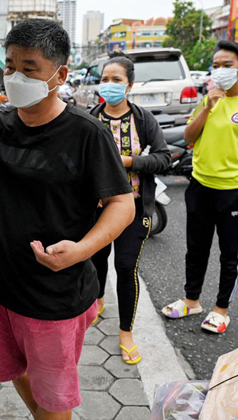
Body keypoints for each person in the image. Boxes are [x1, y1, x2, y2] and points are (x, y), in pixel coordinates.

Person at [0, 19, 135, 419]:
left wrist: (81, 251)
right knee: (16, 371)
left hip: (54, 293)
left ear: (60, 74)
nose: (15, 77)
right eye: (9, 66)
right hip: (1, 284)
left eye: (29, 68)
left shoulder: (87, 133)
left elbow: (123, 204)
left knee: (54, 400)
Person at [162, 40, 238, 335]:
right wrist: (208, 107)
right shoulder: (208, 99)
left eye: (227, 65)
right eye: (216, 65)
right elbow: (189, 135)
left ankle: (221, 309)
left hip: (234, 191)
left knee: (230, 254)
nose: (220, 70)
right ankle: (191, 300)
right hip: (199, 186)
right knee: (195, 249)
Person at [88, 53, 170, 365]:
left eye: (116, 80)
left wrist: (127, 162)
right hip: (96, 208)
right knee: (96, 261)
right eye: (105, 79)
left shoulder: (143, 120)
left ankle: (125, 333)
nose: (109, 85)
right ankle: (97, 302)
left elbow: (163, 159)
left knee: (126, 268)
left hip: (134, 208)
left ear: (130, 85)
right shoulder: (90, 118)